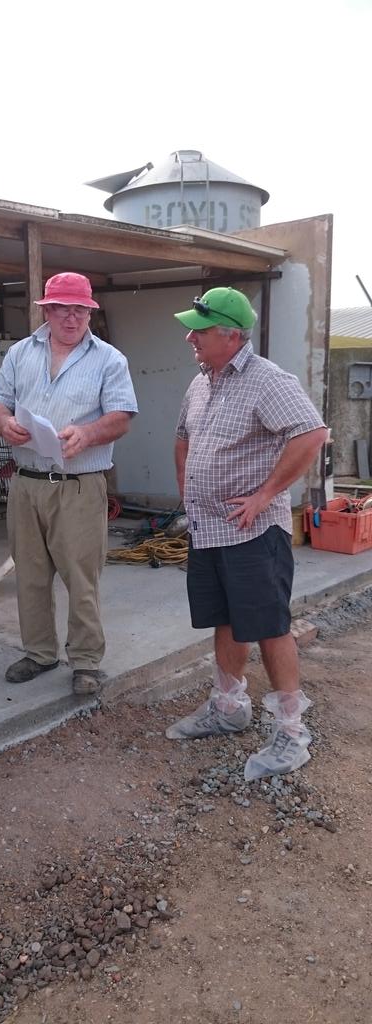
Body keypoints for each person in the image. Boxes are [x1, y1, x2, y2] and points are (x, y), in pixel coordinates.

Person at [168, 287, 328, 780]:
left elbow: (311, 433)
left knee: (269, 626)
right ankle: (230, 707)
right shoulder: (202, 382)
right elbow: (183, 438)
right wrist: (188, 490)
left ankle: (291, 730)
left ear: (232, 335)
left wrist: (265, 495)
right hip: (209, 529)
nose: (191, 337)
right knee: (225, 619)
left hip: (253, 533)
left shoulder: (267, 380)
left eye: (200, 328)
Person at [0, 272, 138, 695]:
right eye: (63, 308)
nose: (72, 318)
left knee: (81, 576)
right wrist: (5, 423)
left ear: (90, 312)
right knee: (30, 574)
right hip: (27, 482)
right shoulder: (20, 353)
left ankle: (86, 661)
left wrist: (88, 434)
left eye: (80, 310)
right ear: (47, 310)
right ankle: (39, 653)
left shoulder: (109, 359)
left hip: (79, 483)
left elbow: (122, 416)